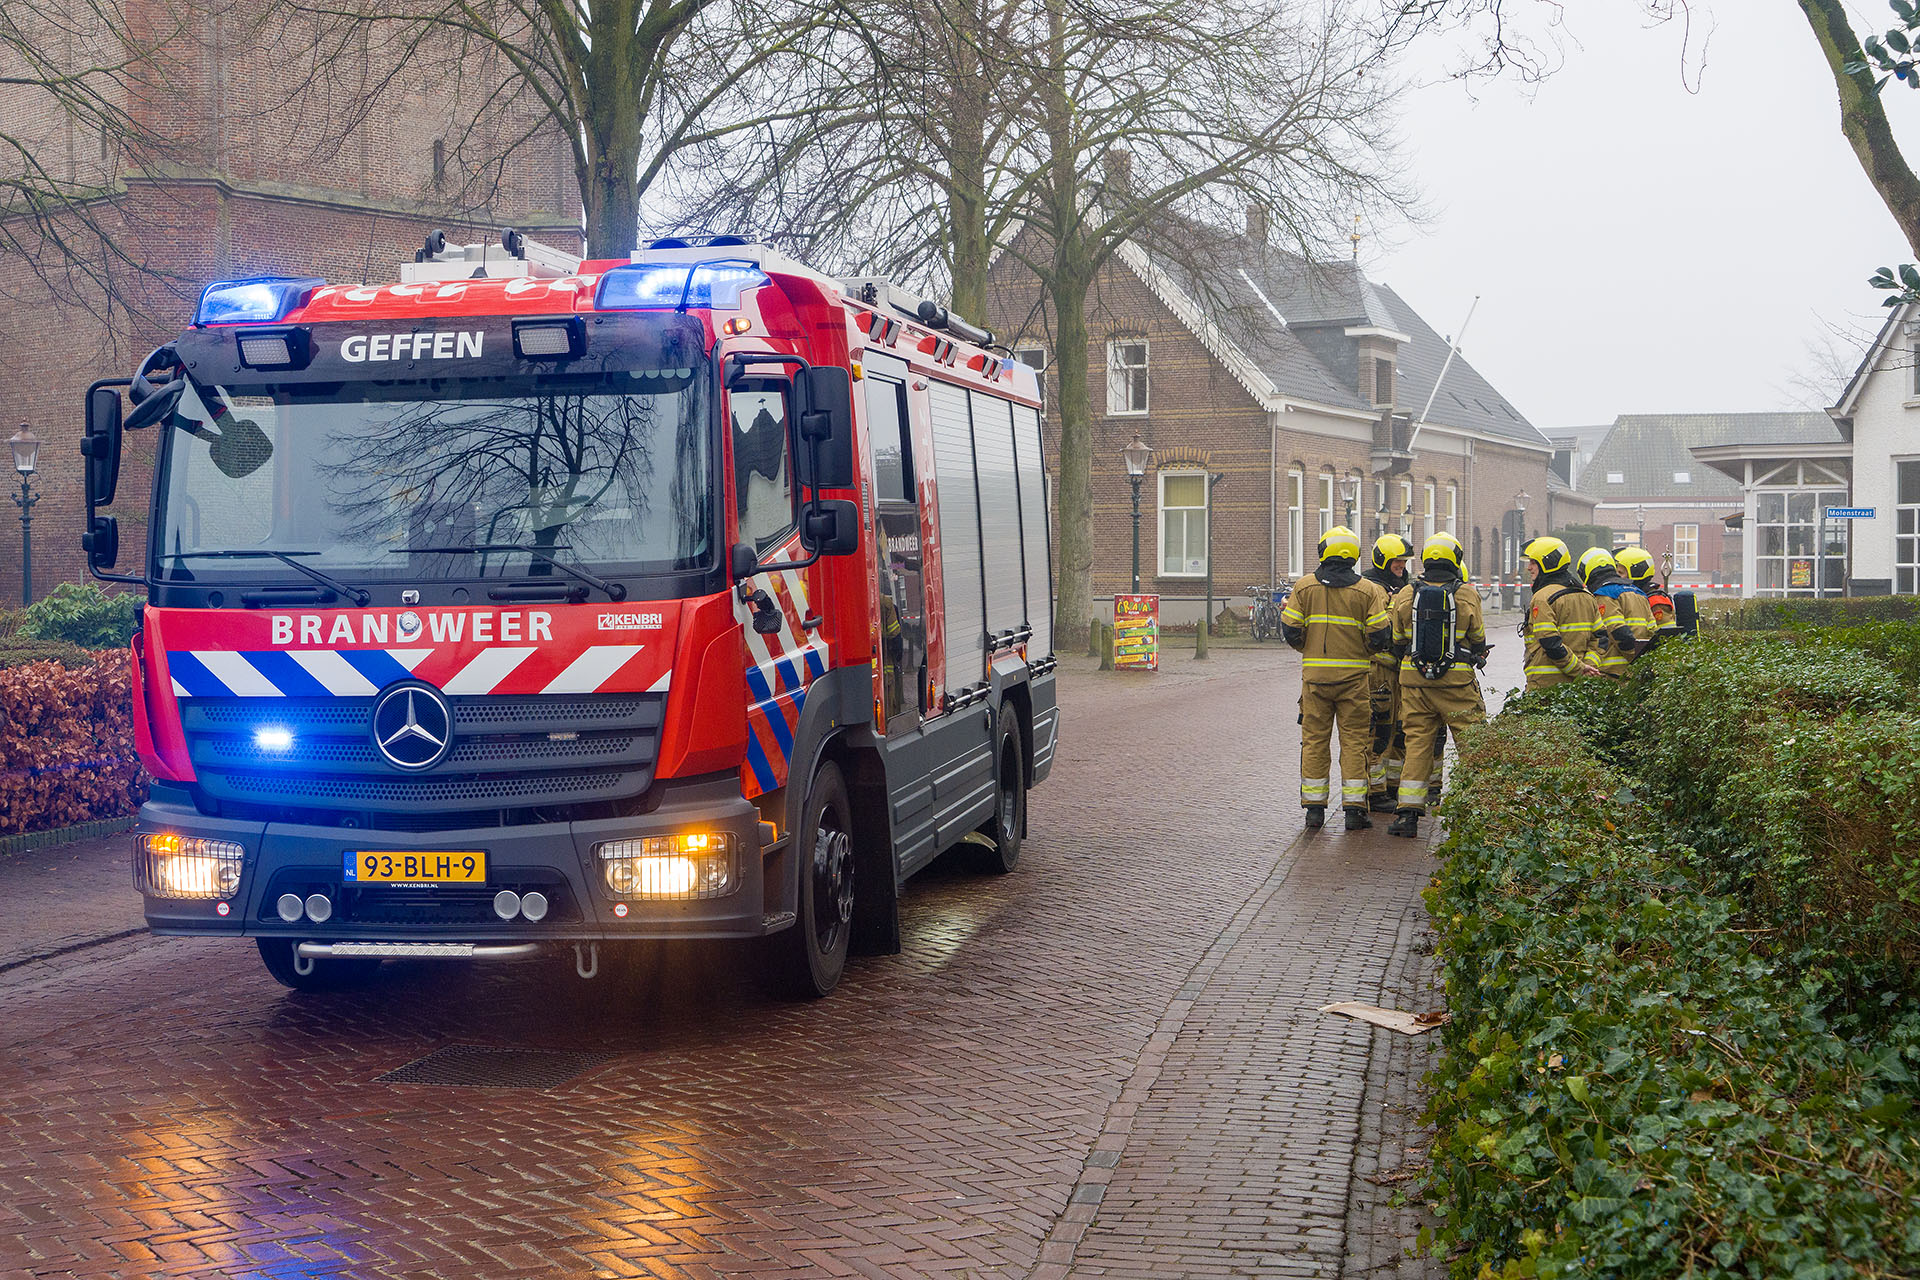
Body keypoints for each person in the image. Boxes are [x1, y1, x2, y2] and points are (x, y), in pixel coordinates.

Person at [1282, 525, 1393, 831]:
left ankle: (1314, 811)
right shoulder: (1369, 591)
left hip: (1315, 681)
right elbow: (1380, 635)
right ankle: (1355, 811)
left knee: (1314, 741)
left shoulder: (1304, 588)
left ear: (1323, 552)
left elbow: (1290, 630)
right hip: (1355, 681)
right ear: (1355, 555)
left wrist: (1310, 648)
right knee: (1355, 743)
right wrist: (1362, 651)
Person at [1388, 532, 1488, 838]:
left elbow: (1396, 640)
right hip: (1456, 682)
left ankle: (1407, 815)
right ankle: (1477, 811)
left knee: (1417, 744)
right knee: (1473, 743)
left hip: (1415, 682)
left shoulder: (1406, 593)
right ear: (1455, 559)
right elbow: (1479, 638)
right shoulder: (1466, 594)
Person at [1363, 533, 1412, 813]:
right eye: (1397, 563)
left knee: (1397, 732)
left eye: (1404, 564)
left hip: (1396, 673)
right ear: (1383, 561)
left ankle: (1392, 787)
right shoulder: (1372, 587)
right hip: (1377, 672)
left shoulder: (1401, 587)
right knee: (1377, 733)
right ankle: (1375, 791)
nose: (1401, 568)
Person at [1520, 536, 1605, 690]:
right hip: (1580, 687)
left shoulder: (1542, 598)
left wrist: (1578, 669)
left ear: (1547, 563)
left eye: (1533, 562)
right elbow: (1600, 638)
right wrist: (1588, 668)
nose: (1529, 567)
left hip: (1546, 687)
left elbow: (1550, 642)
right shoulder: (1587, 595)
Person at [1577, 548, 1654, 678]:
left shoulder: (1604, 595)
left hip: (1614, 673)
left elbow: (1617, 631)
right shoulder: (1638, 592)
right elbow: (1652, 629)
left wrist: (1634, 658)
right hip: (1636, 673)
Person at [1614, 546, 1677, 644]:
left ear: (1636, 572)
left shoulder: (1656, 600)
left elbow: (1668, 639)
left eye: (1620, 573)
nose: (1616, 577)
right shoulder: (1626, 597)